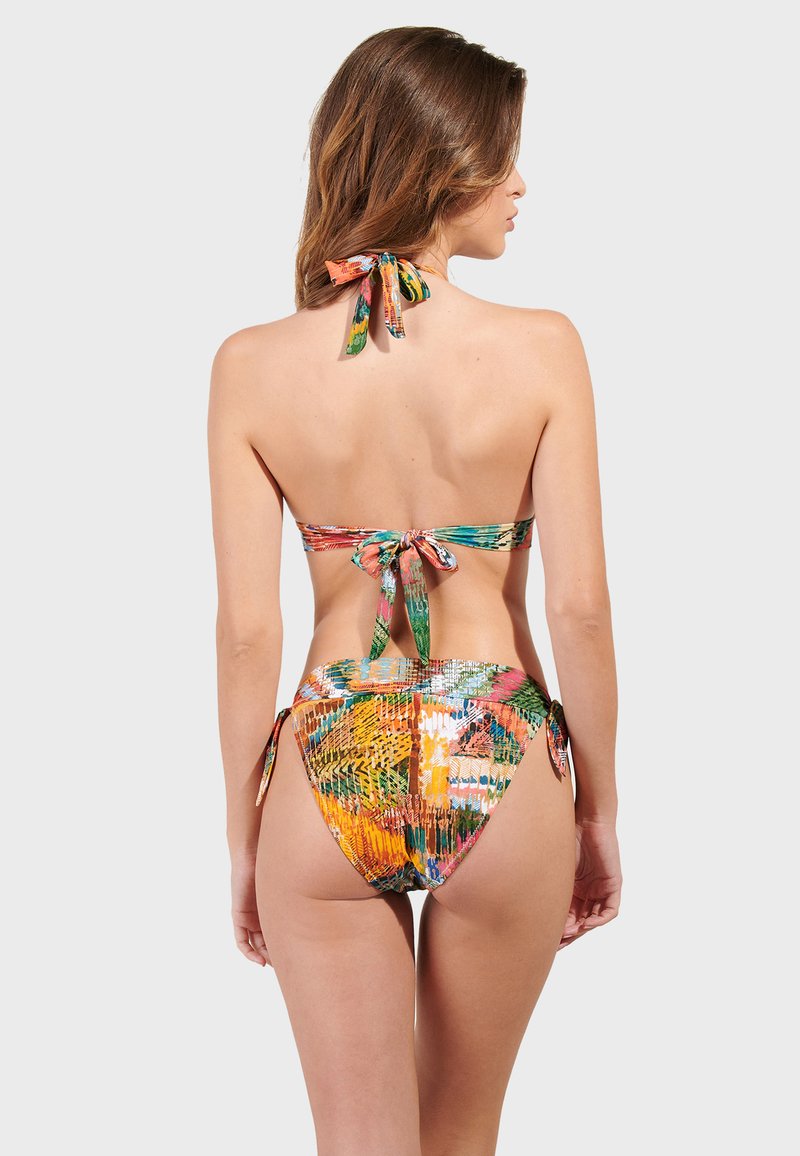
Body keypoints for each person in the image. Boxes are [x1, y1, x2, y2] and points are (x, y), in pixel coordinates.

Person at [208, 25, 621, 1156]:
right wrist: (596, 808)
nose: (520, 185)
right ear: (444, 163)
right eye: (504, 156)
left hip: (331, 750)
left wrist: (244, 840)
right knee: (461, 1138)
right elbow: (579, 611)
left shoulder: (250, 365)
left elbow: (247, 633)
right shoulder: (543, 349)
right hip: (497, 742)